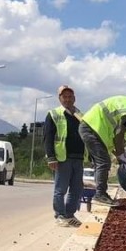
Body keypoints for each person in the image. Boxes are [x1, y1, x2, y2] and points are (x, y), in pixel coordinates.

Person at [78, 86, 126, 205]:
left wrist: (120, 157)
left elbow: (117, 140)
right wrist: (122, 159)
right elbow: (119, 137)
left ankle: (100, 193)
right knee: (103, 162)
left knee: (101, 162)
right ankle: (100, 194)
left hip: (92, 127)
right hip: (93, 127)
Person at [42, 85, 88, 227]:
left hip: (78, 157)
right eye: (64, 97)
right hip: (63, 157)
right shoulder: (54, 114)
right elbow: (48, 137)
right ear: (60, 99)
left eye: (70, 97)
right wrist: (51, 157)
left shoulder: (80, 114)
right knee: (61, 189)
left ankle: (70, 215)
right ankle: (60, 215)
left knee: (76, 188)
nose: (67, 99)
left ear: (74, 98)